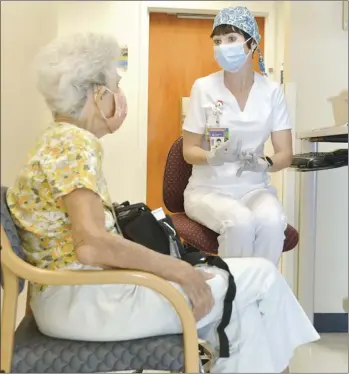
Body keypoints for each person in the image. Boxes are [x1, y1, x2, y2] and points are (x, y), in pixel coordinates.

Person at [6, 32, 319, 373]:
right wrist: (179, 270)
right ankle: (285, 361)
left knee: (243, 303)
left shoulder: (56, 140)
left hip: (70, 296)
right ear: (98, 94)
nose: (120, 96)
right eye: (116, 85)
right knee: (261, 280)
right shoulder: (75, 145)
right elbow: (91, 245)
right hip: (85, 299)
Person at [183, 6, 293, 264]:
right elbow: (188, 150)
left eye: (231, 39)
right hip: (208, 190)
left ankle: (259, 297)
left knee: (272, 222)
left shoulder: (272, 91)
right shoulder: (204, 87)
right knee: (240, 222)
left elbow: (285, 154)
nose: (223, 47)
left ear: (252, 43)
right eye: (218, 41)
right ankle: (233, 298)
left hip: (254, 188)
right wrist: (212, 156)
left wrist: (263, 163)